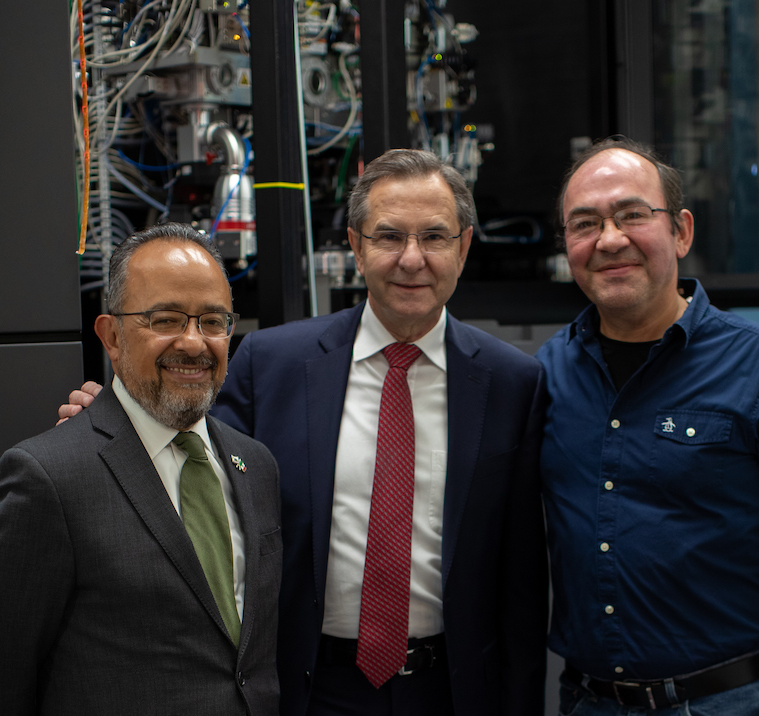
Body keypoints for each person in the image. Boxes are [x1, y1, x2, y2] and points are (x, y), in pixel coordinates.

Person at [60, 150, 548, 716]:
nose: (412, 259)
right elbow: (195, 471)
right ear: (356, 246)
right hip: (308, 687)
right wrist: (116, 427)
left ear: (463, 247)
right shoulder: (272, 364)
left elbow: (522, 582)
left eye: (434, 237)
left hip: (452, 691)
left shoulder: (513, 383)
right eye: (388, 236)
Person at [2, 224, 282, 716]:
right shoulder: (50, 479)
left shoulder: (255, 465)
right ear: (112, 336)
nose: (195, 343)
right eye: (167, 319)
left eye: (213, 322)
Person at [538, 136, 759, 716]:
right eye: (585, 224)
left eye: (633, 216)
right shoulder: (544, 375)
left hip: (732, 700)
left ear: (682, 231)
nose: (610, 240)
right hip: (587, 701)